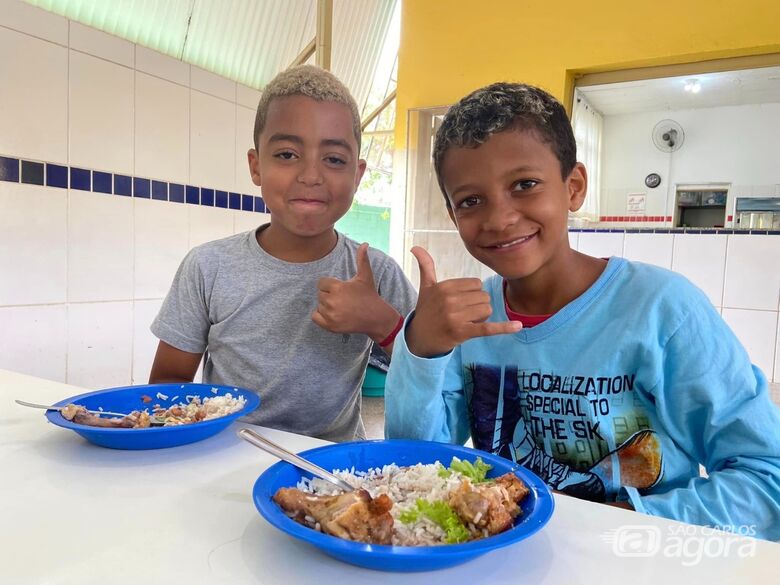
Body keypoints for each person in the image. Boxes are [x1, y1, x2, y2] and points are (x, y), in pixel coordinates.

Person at [384, 81, 780, 540]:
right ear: (454, 216)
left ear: (573, 187)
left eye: (524, 185)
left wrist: (613, 528)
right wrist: (422, 349)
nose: (499, 217)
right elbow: (417, 467)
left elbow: (766, 479)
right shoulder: (466, 323)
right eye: (471, 201)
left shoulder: (662, 310)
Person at [149, 65, 416, 442]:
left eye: (334, 159)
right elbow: (168, 383)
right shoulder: (208, 267)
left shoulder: (375, 273)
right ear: (256, 166)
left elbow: (431, 382)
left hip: (334, 473)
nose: (311, 175)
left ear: (357, 176)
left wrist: (382, 323)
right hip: (223, 463)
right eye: (288, 154)